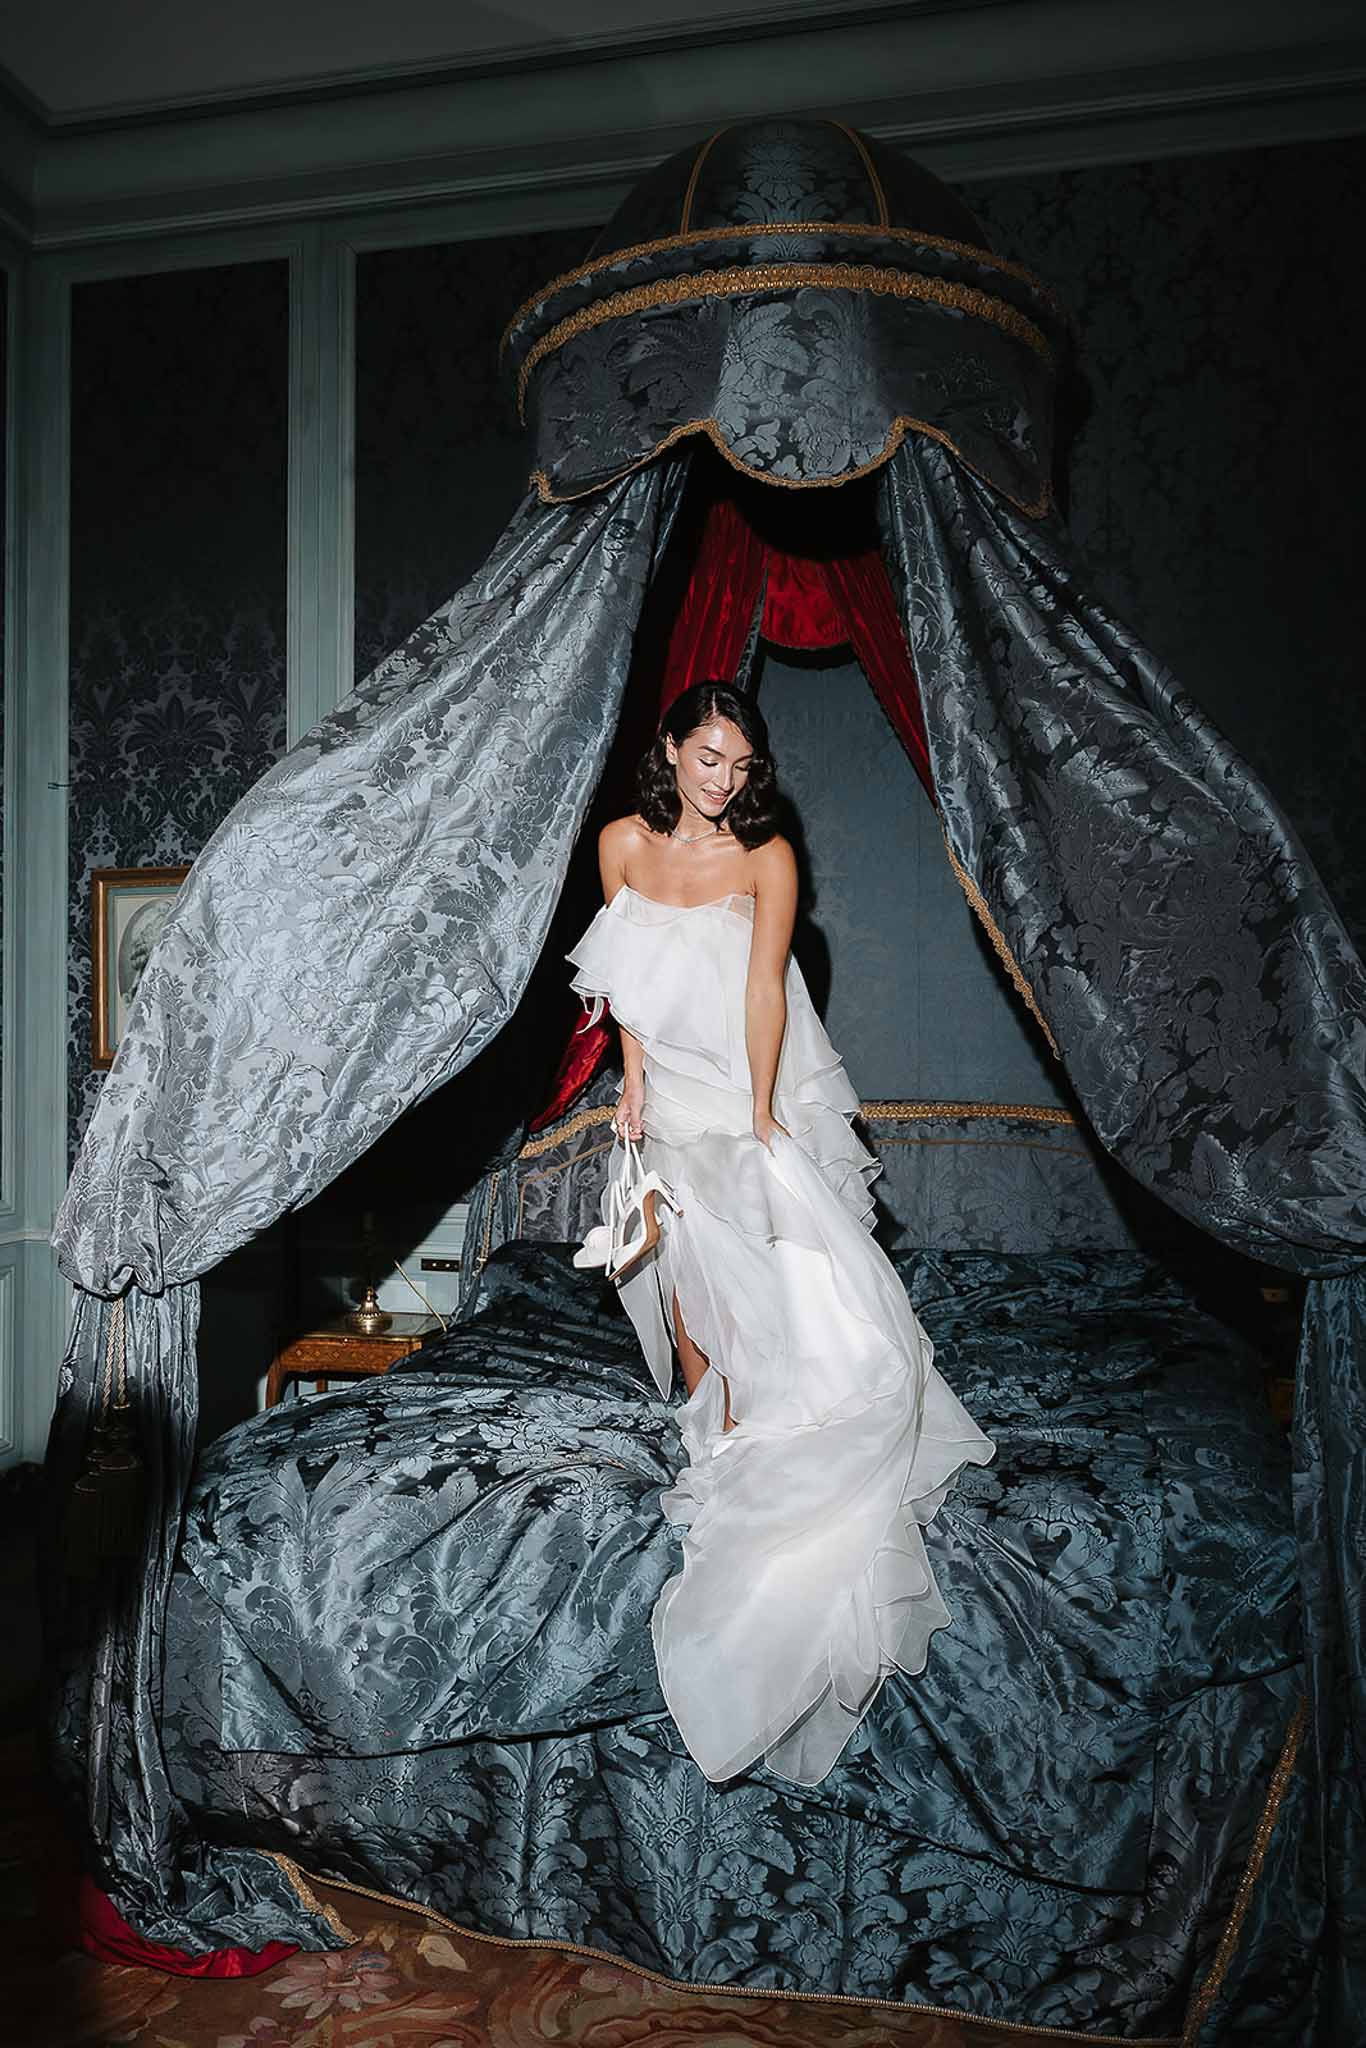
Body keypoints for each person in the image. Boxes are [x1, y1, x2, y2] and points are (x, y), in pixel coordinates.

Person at [565, 680, 994, 1788]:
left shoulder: (765, 859)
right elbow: (619, 983)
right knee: (683, 1263)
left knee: (788, 1275)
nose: (724, 781)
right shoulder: (618, 841)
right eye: (708, 758)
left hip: (744, 1085)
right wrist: (634, 1087)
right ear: (670, 747)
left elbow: (764, 990)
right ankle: (714, 1433)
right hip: (668, 1096)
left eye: (741, 766)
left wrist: (760, 1109)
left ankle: (763, 1431)